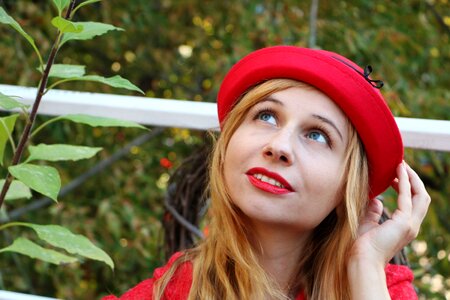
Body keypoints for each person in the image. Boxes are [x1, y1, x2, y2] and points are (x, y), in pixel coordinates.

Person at [103, 46, 431, 300]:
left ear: (352, 187)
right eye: (266, 116)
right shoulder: (177, 288)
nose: (279, 145)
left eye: (317, 134)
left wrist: (365, 268)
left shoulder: (379, 286)